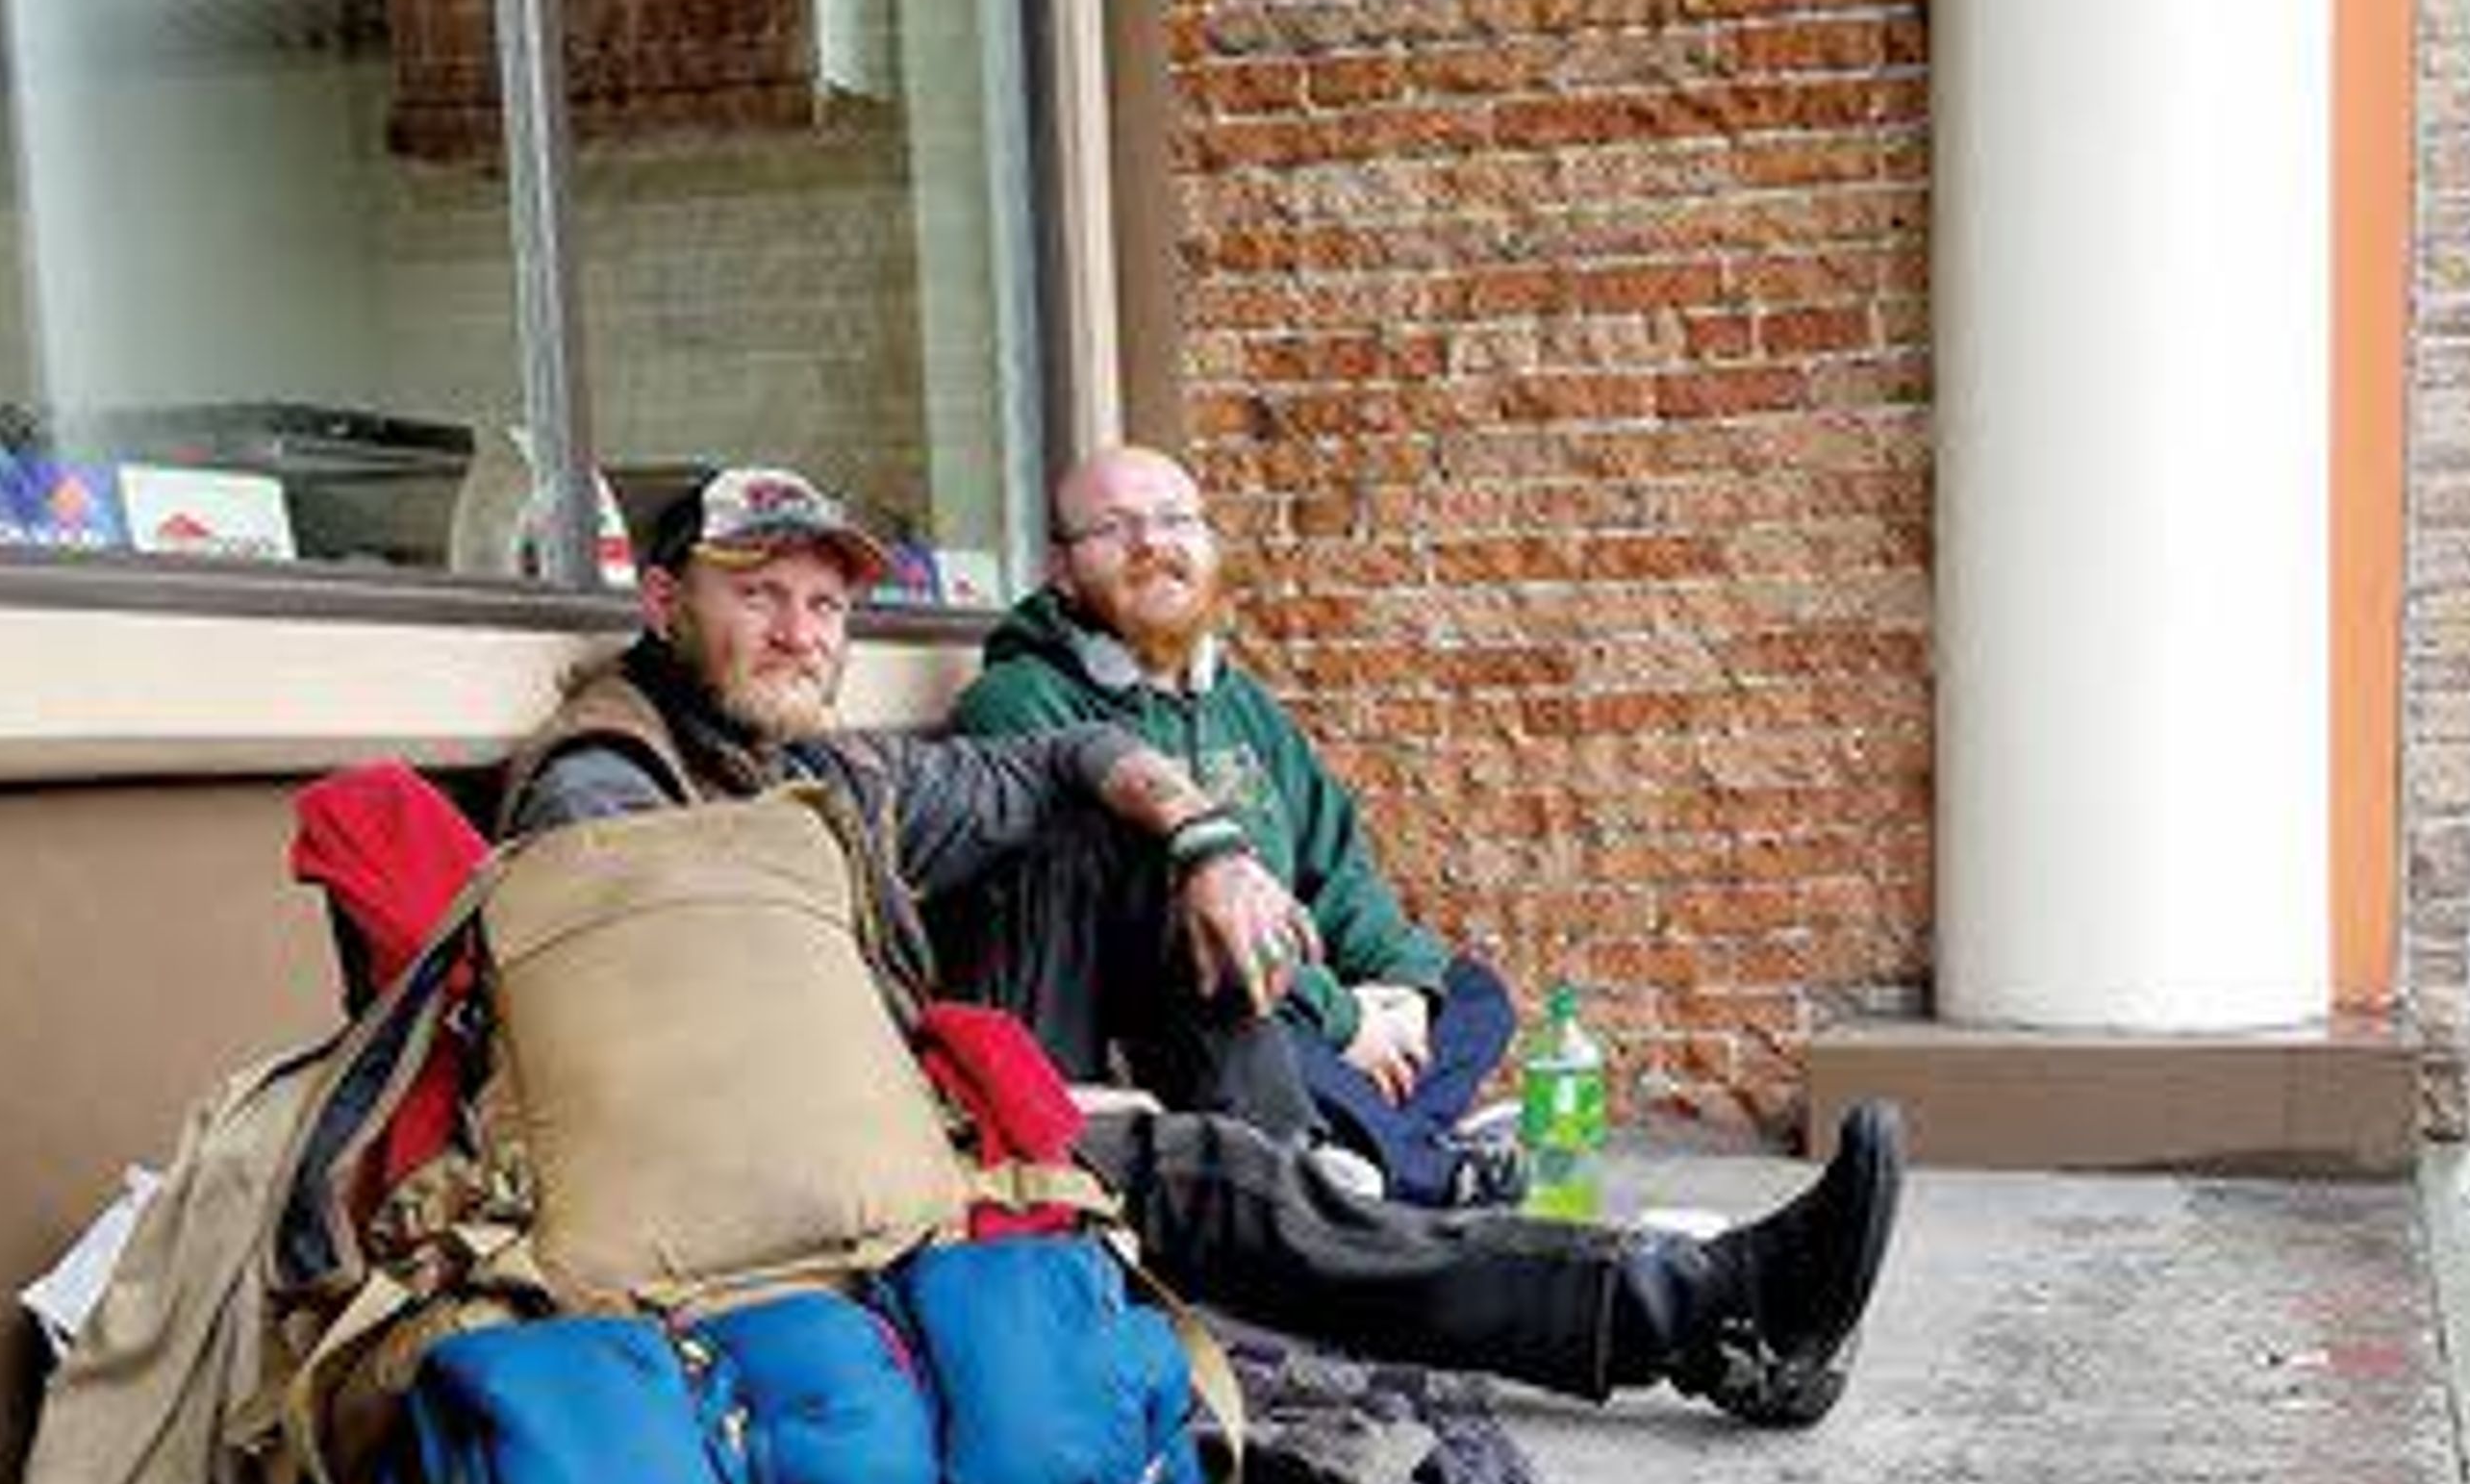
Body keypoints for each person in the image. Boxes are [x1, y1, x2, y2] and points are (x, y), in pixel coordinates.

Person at [502, 464, 1901, 1427]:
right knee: (1209, 1174)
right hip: (805, 1210)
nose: (799, 631)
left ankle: (1339, 1235)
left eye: (823, 603)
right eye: (758, 594)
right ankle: (1696, 1311)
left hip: (899, 1119)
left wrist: (1206, 844)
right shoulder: (612, 794)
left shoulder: (816, 761)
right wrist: (995, 1116)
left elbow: (1073, 752)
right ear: (664, 602)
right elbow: (722, 1103)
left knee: (1114, 840)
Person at [949, 445, 1521, 1207]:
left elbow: (1336, 864)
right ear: (1062, 567)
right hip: (1172, 1008)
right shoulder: (1021, 701)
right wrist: (1346, 1019)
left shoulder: (1239, 702)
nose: (1153, 543)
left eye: (1174, 519)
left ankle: (1369, 1149)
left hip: (1294, 994)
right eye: (1115, 528)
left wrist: (1402, 990)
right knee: (1251, 1009)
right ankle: (1419, 1164)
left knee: (1473, 995)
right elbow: (1162, 903)